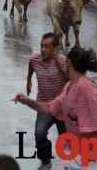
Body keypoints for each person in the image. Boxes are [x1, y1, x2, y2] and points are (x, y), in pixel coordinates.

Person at [13, 46, 97, 170]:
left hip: (90, 159)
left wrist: (90, 156)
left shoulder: (87, 88)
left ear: (68, 63)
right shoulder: (69, 86)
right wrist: (27, 101)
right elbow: (50, 108)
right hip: (75, 154)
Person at [26, 33, 68, 170]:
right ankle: (45, 162)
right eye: (42, 46)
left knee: (67, 140)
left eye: (47, 47)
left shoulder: (63, 61)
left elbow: (73, 81)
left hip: (62, 107)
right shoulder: (35, 59)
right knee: (40, 133)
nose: (43, 49)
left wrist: (61, 69)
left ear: (56, 48)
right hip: (44, 105)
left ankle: (72, 164)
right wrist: (29, 80)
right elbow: (31, 66)